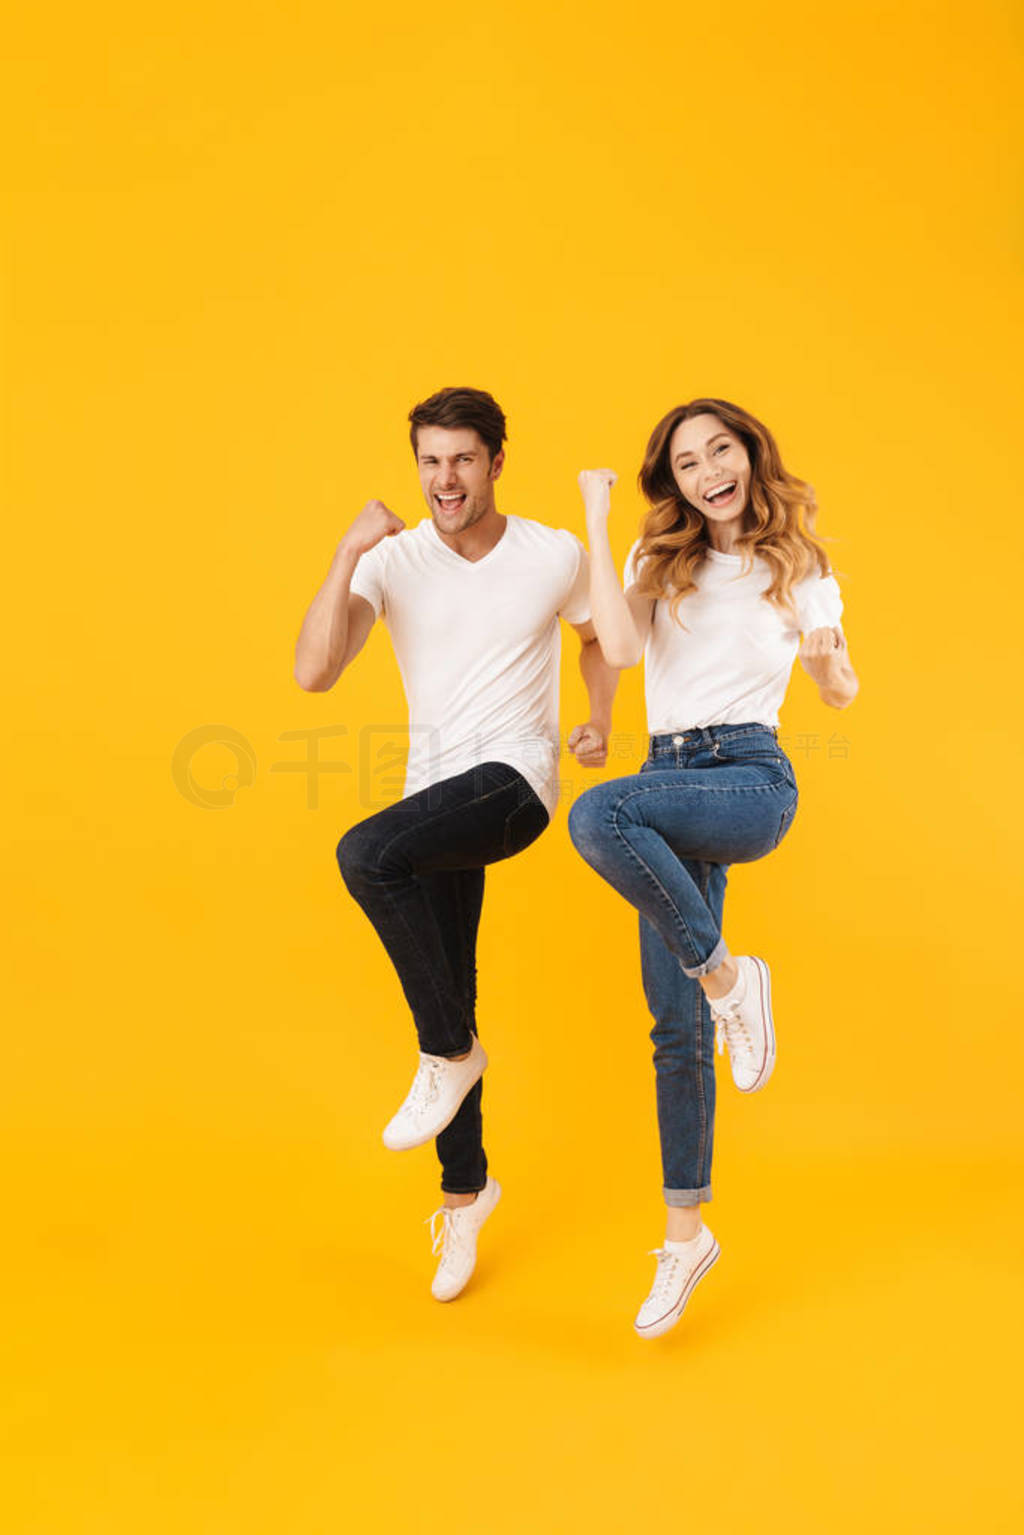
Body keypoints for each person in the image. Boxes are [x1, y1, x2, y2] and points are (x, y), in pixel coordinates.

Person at [294, 386, 617, 1302]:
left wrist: (595, 718)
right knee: (452, 991)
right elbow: (315, 671)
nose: (445, 479)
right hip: (432, 796)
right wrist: (349, 547)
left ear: (496, 462)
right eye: (431, 461)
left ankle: (450, 1054)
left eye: (463, 459)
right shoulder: (392, 561)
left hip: (515, 781)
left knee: (365, 853)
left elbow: (596, 638)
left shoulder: (551, 551)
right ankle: (466, 1194)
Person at [568, 397, 859, 1339]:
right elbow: (617, 649)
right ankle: (685, 1233)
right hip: (667, 778)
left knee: (597, 811)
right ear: (676, 483)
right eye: (687, 463)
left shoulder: (798, 563)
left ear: (749, 454)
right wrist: (600, 519)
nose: (706, 472)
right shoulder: (659, 559)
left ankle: (731, 974)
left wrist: (826, 664)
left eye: (719, 450)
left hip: (747, 776)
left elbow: (842, 685)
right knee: (675, 1028)